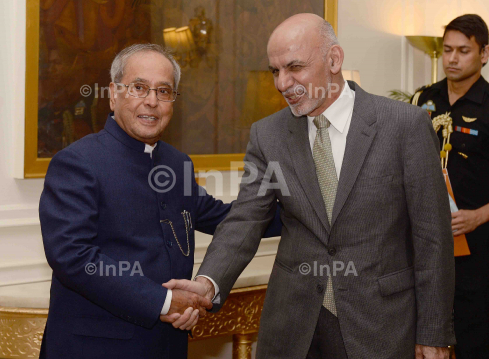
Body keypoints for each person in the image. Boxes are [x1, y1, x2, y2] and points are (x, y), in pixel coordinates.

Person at [165, 14, 455, 359]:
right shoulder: (268, 134)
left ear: (334, 59)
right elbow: (245, 220)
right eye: (275, 71)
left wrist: (433, 334)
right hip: (292, 328)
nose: (282, 83)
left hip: (380, 326)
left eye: (294, 67)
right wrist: (207, 283)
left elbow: (432, 238)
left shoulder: (403, 125)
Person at [38, 43, 281, 359]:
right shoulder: (77, 162)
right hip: (95, 348)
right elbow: (73, 256)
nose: (152, 101)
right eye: (139, 88)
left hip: (167, 346)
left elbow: (229, 219)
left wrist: (310, 209)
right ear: (113, 94)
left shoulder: (176, 163)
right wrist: (164, 302)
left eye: (164, 91)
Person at [411, 14, 489, 359]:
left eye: (463, 51)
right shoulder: (422, 100)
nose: (453, 59)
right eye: (447, 50)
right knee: (425, 342)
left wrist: (478, 216)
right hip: (426, 246)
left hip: (477, 250)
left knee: (474, 341)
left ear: (484, 54)